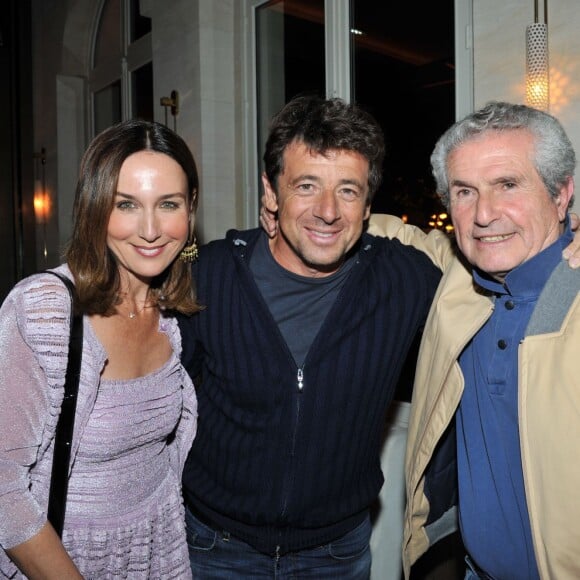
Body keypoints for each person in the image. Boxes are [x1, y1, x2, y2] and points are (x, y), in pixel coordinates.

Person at [178, 94, 442, 578]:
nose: (327, 211)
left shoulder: (402, 280)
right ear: (271, 192)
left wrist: (559, 241)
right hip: (215, 548)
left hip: (336, 554)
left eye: (348, 190)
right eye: (306, 185)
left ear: (366, 205)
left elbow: (486, 266)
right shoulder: (207, 278)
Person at [368, 101, 580, 580]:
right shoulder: (459, 280)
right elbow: (374, 229)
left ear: (562, 193)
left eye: (508, 185)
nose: (484, 214)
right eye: (465, 191)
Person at [0, 119, 200, 579]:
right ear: (95, 209)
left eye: (167, 204)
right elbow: (4, 485)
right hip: (61, 560)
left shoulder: (170, 311)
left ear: (190, 210)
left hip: (157, 552)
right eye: (125, 204)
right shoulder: (44, 310)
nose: (150, 230)